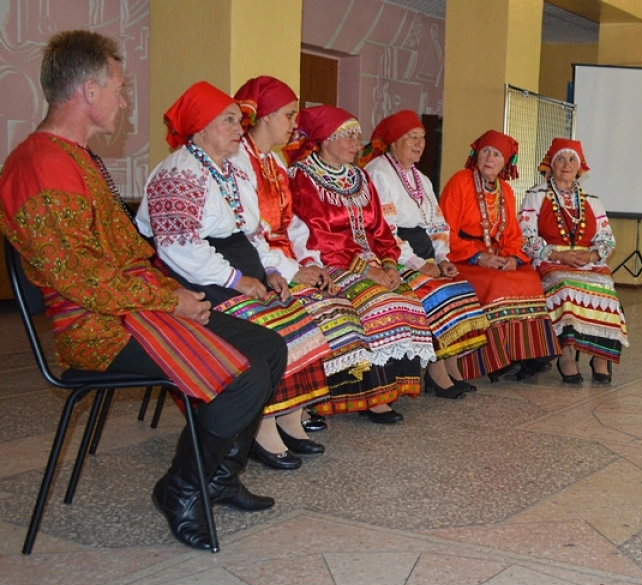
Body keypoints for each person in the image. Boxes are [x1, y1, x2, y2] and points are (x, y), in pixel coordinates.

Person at [0, 30, 285, 550]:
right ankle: (181, 488)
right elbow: (77, 279)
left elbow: (120, 258)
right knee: (241, 377)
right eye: (118, 87)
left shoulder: (75, 155)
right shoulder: (41, 165)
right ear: (87, 91)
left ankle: (216, 474)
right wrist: (168, 299)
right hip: (97, 328)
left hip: (132, 308)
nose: (125, 99)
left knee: (269, 347)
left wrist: (174, 296)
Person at [137, 81, 332, 471]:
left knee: (300, 316)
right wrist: (236, 279)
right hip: (195, 280)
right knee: (271, 329)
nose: (240, 128)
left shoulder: (230, 172)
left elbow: (251, 233)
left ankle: (285, 417)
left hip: (235, 269)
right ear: (201, 127)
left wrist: (272, 270)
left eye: (239, 120)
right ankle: (260, 428)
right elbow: (180, 248)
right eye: (229, 121)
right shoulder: (178, 172)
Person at [232, 75, 379, 450]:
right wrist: (291, 269)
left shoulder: (275, 163)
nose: (295, 124)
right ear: (263, 117)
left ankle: (293, 413)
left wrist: (312, 264)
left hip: (281, 260)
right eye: (287, 114)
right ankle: (267, 422)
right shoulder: (239, 161)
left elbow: (294, 227)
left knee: (335, 307)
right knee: (310, 315)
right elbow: (251, 235)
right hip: (254, 265)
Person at [286, 105, 435, 422]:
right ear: (326, 140)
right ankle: (370, 395)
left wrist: (390, 264)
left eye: (357, 136)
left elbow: (380, 229)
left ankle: (391, 385)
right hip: (327, 262)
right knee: (378, 301)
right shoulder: (303, 177)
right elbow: (318, 236)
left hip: (371, 261)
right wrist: (367, 270)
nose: (358, 143)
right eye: (349, 137)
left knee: (405, 295)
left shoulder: (360, 176)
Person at [362, 110, 489, 397]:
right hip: (393, 255)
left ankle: (450, 364)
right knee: (434, 293)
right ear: (394, 141)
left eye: (422, 138)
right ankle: (435, 370)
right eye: (411, 138)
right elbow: (386, 232)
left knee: (460, 288)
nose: (419, 144)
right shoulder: (379, 173)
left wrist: (443, 258)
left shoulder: (420, 179)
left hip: (425, 252)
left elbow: (437, 223)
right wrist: (419, 265)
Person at [439, 130, 561, 381]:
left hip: (496, 256)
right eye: (485, 151)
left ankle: (526, 354)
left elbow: (513, 236)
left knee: (529, 279)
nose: (489, 158)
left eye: (496, 154)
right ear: (476, 154)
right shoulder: (460, 181)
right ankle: (494, 360)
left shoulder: (505, 190)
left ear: (505, 163)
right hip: (463, 257)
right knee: (497, 283)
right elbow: (443, 232)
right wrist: (478, 257)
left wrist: (512, 259)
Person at [518, 138, 628, 384]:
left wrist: (591, 256)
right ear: (551, 164)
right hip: (550, 260)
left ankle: (601, 357)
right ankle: (565, 355)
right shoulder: (536, 196)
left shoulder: (593, 200)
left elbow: (607, 240)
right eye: (560, 159)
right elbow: (525, 237)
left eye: (571, 160)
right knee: (564, 286)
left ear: (580, 168)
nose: (565, 165)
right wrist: (558, 255)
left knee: (606, 288)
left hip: (587, 262)